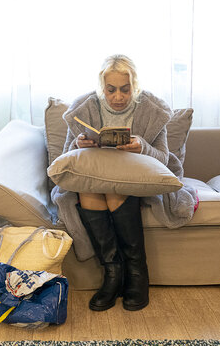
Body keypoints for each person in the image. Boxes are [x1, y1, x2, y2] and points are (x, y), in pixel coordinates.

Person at [55, 54, 177, 312]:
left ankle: (136, 272)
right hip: (94, 180)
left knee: (114, 192)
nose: (118, 97)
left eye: (125, 89)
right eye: (111, 90)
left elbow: (164, 159)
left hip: (133, 181)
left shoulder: (152, 112)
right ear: (102, 87)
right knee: (91, 191)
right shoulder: (84, 109)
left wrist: (141, 146)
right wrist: (79, 144)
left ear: (135, 86)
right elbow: (63, 159)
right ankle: (114, 271)